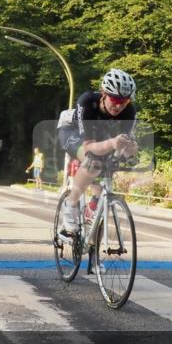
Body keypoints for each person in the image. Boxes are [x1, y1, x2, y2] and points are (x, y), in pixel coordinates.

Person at [57, 68, 139, 233]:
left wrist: (131, 151)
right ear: (103, 93)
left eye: (124, 101)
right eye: (115, 99)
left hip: (101, 136)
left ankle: (94, 207)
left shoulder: (129, 111)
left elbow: (124, 145)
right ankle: (70, 204)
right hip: (71, 131)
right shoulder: (87, 101)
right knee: (93, 161)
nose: (119, 105)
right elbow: (88, 146)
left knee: (107, 165)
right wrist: (112, 143)